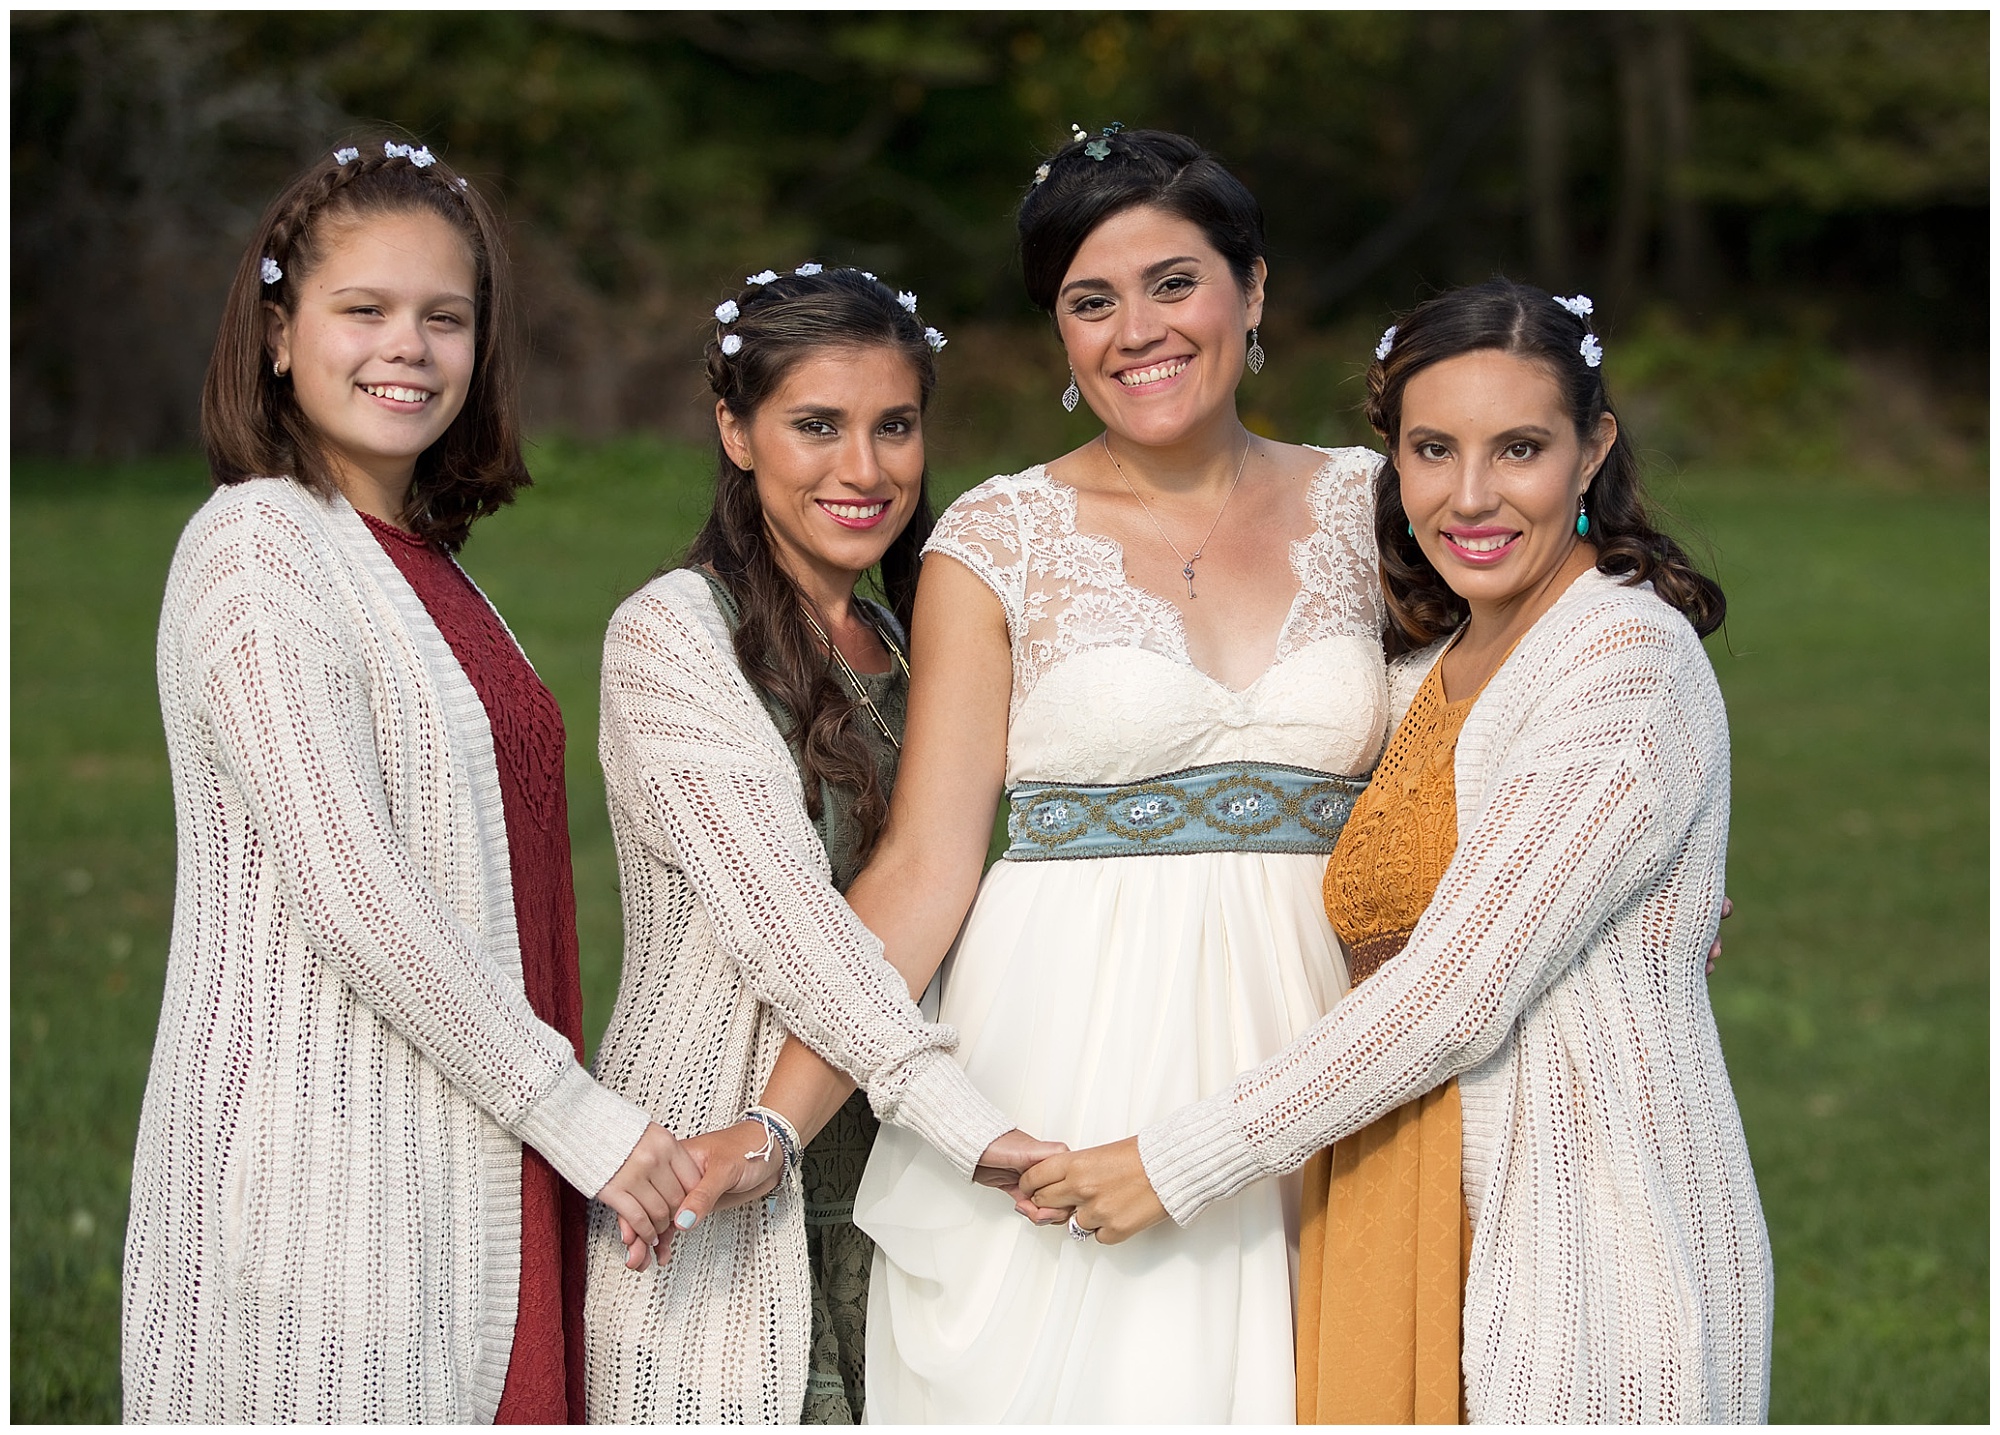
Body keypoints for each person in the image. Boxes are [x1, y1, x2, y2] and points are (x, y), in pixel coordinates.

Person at [1022, 279, 1774, 1424]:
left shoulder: (1622, 658)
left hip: (1589, 1232)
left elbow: (1461, 984)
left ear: (1591, 451)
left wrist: (1176, 1162)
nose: (1469, 496)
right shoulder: (1424, 672)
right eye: (1431, 449)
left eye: (1517, 448)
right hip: (1402, 1205)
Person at [768, 127, 1388, 1422]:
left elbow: (1511, 717)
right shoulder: (996, 536)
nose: (1136, 330)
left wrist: (1640, 896)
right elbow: (929, 865)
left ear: (1253, 290)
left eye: (1174, 282)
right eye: (1090, 301)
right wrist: (770, 1119)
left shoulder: (1377, 508)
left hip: (1325, 1045)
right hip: (1071, 1052)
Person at [124, 139, 700, 1424]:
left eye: (445, 318)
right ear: (278, 335)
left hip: (472, 1139)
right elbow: (352, 893)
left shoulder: (417, 559)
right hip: (326, 1175)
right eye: (364, 311)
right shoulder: (259, 547)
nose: (410, 348)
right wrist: (579, 1116)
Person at [580, 266, 1057, 1424]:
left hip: (885, 1165)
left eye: (894, 426)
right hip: (719, 1156)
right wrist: (971, 1128)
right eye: (816, 426)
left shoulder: (905, 635)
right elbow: (788, 927)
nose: (864, 468)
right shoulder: (673, 639)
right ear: (735, 432)